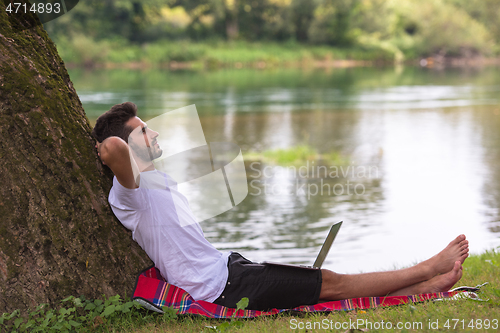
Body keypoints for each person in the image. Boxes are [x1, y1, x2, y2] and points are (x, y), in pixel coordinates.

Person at [92, 102, 469, 311]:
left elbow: (122, 147)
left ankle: (426, 285)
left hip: (228, 268)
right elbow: (113, 149)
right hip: (219, 287)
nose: (154, 131)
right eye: (144, 130)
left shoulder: (159, 181)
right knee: (330, 284)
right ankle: (426, 270)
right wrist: (105, 144)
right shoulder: (129, 194)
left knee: (315, 283)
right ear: (129, 143)